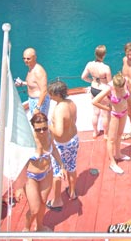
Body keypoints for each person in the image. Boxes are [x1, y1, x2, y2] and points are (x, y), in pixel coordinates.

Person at [24, 112, 66, 232]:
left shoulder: (49, 135)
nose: (42, 131)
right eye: (39, 129)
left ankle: (40, 226)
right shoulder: (28, 140)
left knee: (43, 202)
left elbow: (54, 151)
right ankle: (26, 229)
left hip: (47, 173)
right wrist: (18, 187)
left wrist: (62, 165)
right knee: (34, 209)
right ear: (33, 127)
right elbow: (19, 162)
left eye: (44, 128)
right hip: (30, 176)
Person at [47, 81, 79, 209]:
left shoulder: (59, 109)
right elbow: (74, 120)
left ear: (58, 94)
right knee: (71, 167)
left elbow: (59, 132)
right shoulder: (71, 103)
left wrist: (49, 126)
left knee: (57, 171)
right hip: (74, 140)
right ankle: (72, 192)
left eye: (51, 94)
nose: (50, 96)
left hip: (61, 145)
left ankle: (57, 200)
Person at [92, 72, 131, 174]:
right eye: (118, 89)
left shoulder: (125, 81)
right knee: (111, 139)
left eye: (122, 88)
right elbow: (95, 101)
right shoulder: (109, 88)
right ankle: (112, 163)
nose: (120, 90)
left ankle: (118, 154)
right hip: (115, 115)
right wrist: (107, 108)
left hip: (124, 112)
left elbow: (128, 96)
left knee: (119, 135)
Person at [81, 45, 112, 138]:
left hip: (93, 89)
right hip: (103, 91)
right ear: (104, 55)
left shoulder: (89, 64)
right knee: (105, 115)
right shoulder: (106, 68)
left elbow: (83, 77)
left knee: (95, 113)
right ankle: (106, 134)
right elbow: (110, 83)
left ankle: (95, 132)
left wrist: (92, 81)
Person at [15, 48, 50, 116]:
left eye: (28, 59)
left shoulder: (38, 71)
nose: (26, 61)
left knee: (40, 124)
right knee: (34, 123)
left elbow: (44, 91)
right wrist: (22, 83)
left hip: (39, 101)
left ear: (35, 58)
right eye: (24, 58)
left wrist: (38, 107)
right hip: (32, 100)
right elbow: (34, 83)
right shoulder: (31, 68)